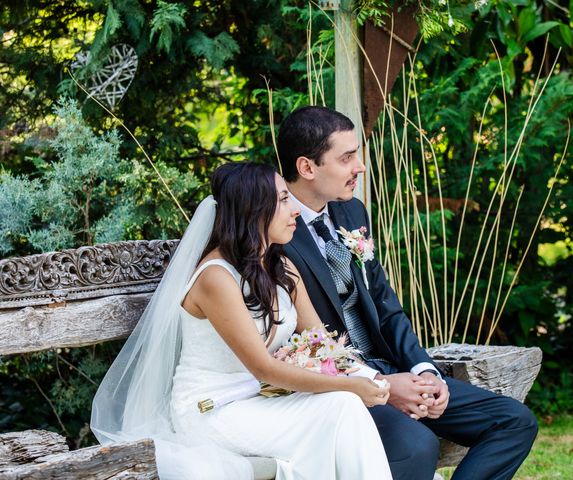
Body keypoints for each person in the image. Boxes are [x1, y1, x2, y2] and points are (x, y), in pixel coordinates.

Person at [278, 106, 539, 480]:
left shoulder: (351, 213)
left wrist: (424, 370)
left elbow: (385, 306)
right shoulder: (276, 231)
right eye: (347, 157)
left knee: (513, 421)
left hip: (393, 367)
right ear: (307, 168)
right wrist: (379, 385)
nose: (360, 167)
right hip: (335, 386)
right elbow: (301, 341)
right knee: (418, 445)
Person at [91, 161, 393, 480]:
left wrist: (370, 379)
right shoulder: (216, 278)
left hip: (258, 401)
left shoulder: (282, 268)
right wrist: (350, 385)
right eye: (284, 200)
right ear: (254, 209)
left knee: (342, 405)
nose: (294, 212)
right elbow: (263, 368)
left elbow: (323, 343)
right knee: (341, 405)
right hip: (212, 411)